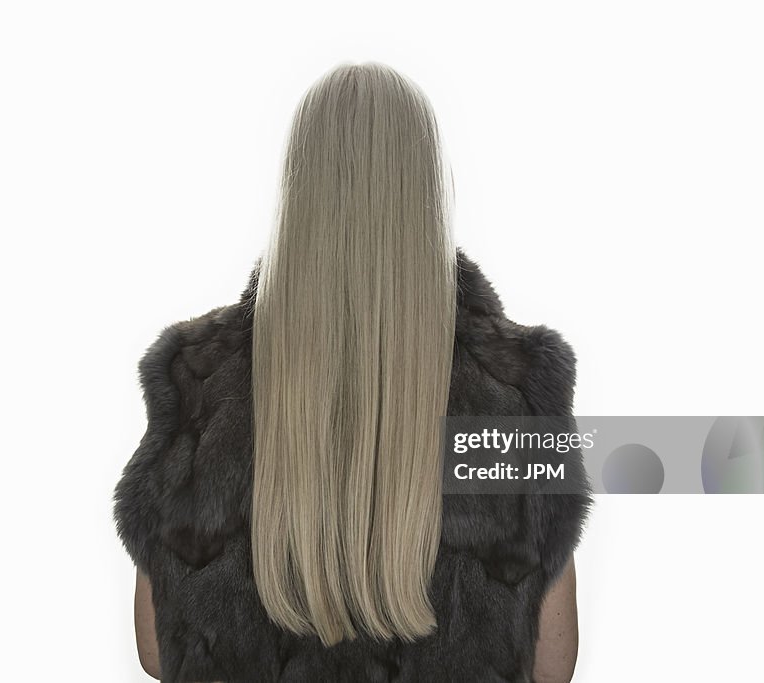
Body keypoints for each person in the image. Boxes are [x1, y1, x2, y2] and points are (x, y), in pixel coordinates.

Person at [114, 61, 592, 683]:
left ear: (297, 191)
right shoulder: (515, 396)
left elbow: (158, 652)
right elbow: (551, 666)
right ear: (426, 191)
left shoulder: (199, 381)